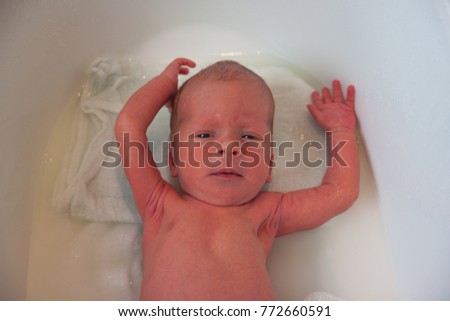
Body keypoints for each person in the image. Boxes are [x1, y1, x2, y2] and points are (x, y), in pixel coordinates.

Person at [114, 58, 359, 300]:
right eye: (204, 135)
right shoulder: (158, 204)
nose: (228, 147)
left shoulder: (268, 212)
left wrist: (341, 131)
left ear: (270, 164)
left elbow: (340, 193)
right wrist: (165, 84)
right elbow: (129, 126)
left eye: (249, 138)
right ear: (174, 159)